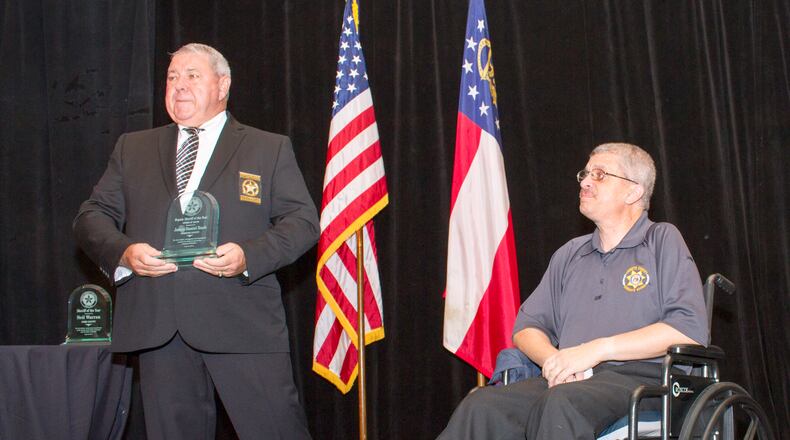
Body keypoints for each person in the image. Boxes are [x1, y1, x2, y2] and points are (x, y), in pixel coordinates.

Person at [73, 43, 317, 439]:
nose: (179, 85)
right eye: (172, 77)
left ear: (223, 85)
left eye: (192, 75)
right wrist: (124, 252)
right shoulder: (132, 147)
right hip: (159, 326)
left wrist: (248, 256)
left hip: (242, 322)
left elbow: (303, 222)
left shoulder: (268, 147)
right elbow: (90, 217)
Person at [438, 143, 709, 439]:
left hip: (643, 381)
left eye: (600, 174)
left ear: (633, 192)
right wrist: (556, 362)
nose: (585, 182)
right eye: (585, 174)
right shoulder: (570, 254)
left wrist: (595, 350)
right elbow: (526, 328)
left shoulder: (660, 240)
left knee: (561, 404)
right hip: (572, 381)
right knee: (482, 405)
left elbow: (688, 330)